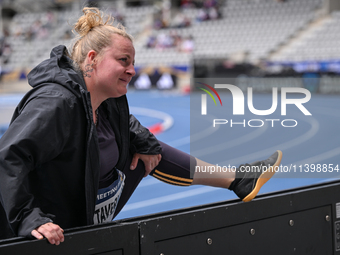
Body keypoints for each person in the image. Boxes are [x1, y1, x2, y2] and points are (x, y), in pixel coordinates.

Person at [0, 7, 282, 246]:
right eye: (123, 61)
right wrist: (27, 217)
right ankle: (237, 180)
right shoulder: (56, 103)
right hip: (46, 229)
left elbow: (128, 124)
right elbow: (8, 158)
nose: (132, 70)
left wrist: (145, 143)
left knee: (146, 150)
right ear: (92, 59)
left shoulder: (107, 99)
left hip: (85, 209)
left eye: (133, 62)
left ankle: (237, 180)